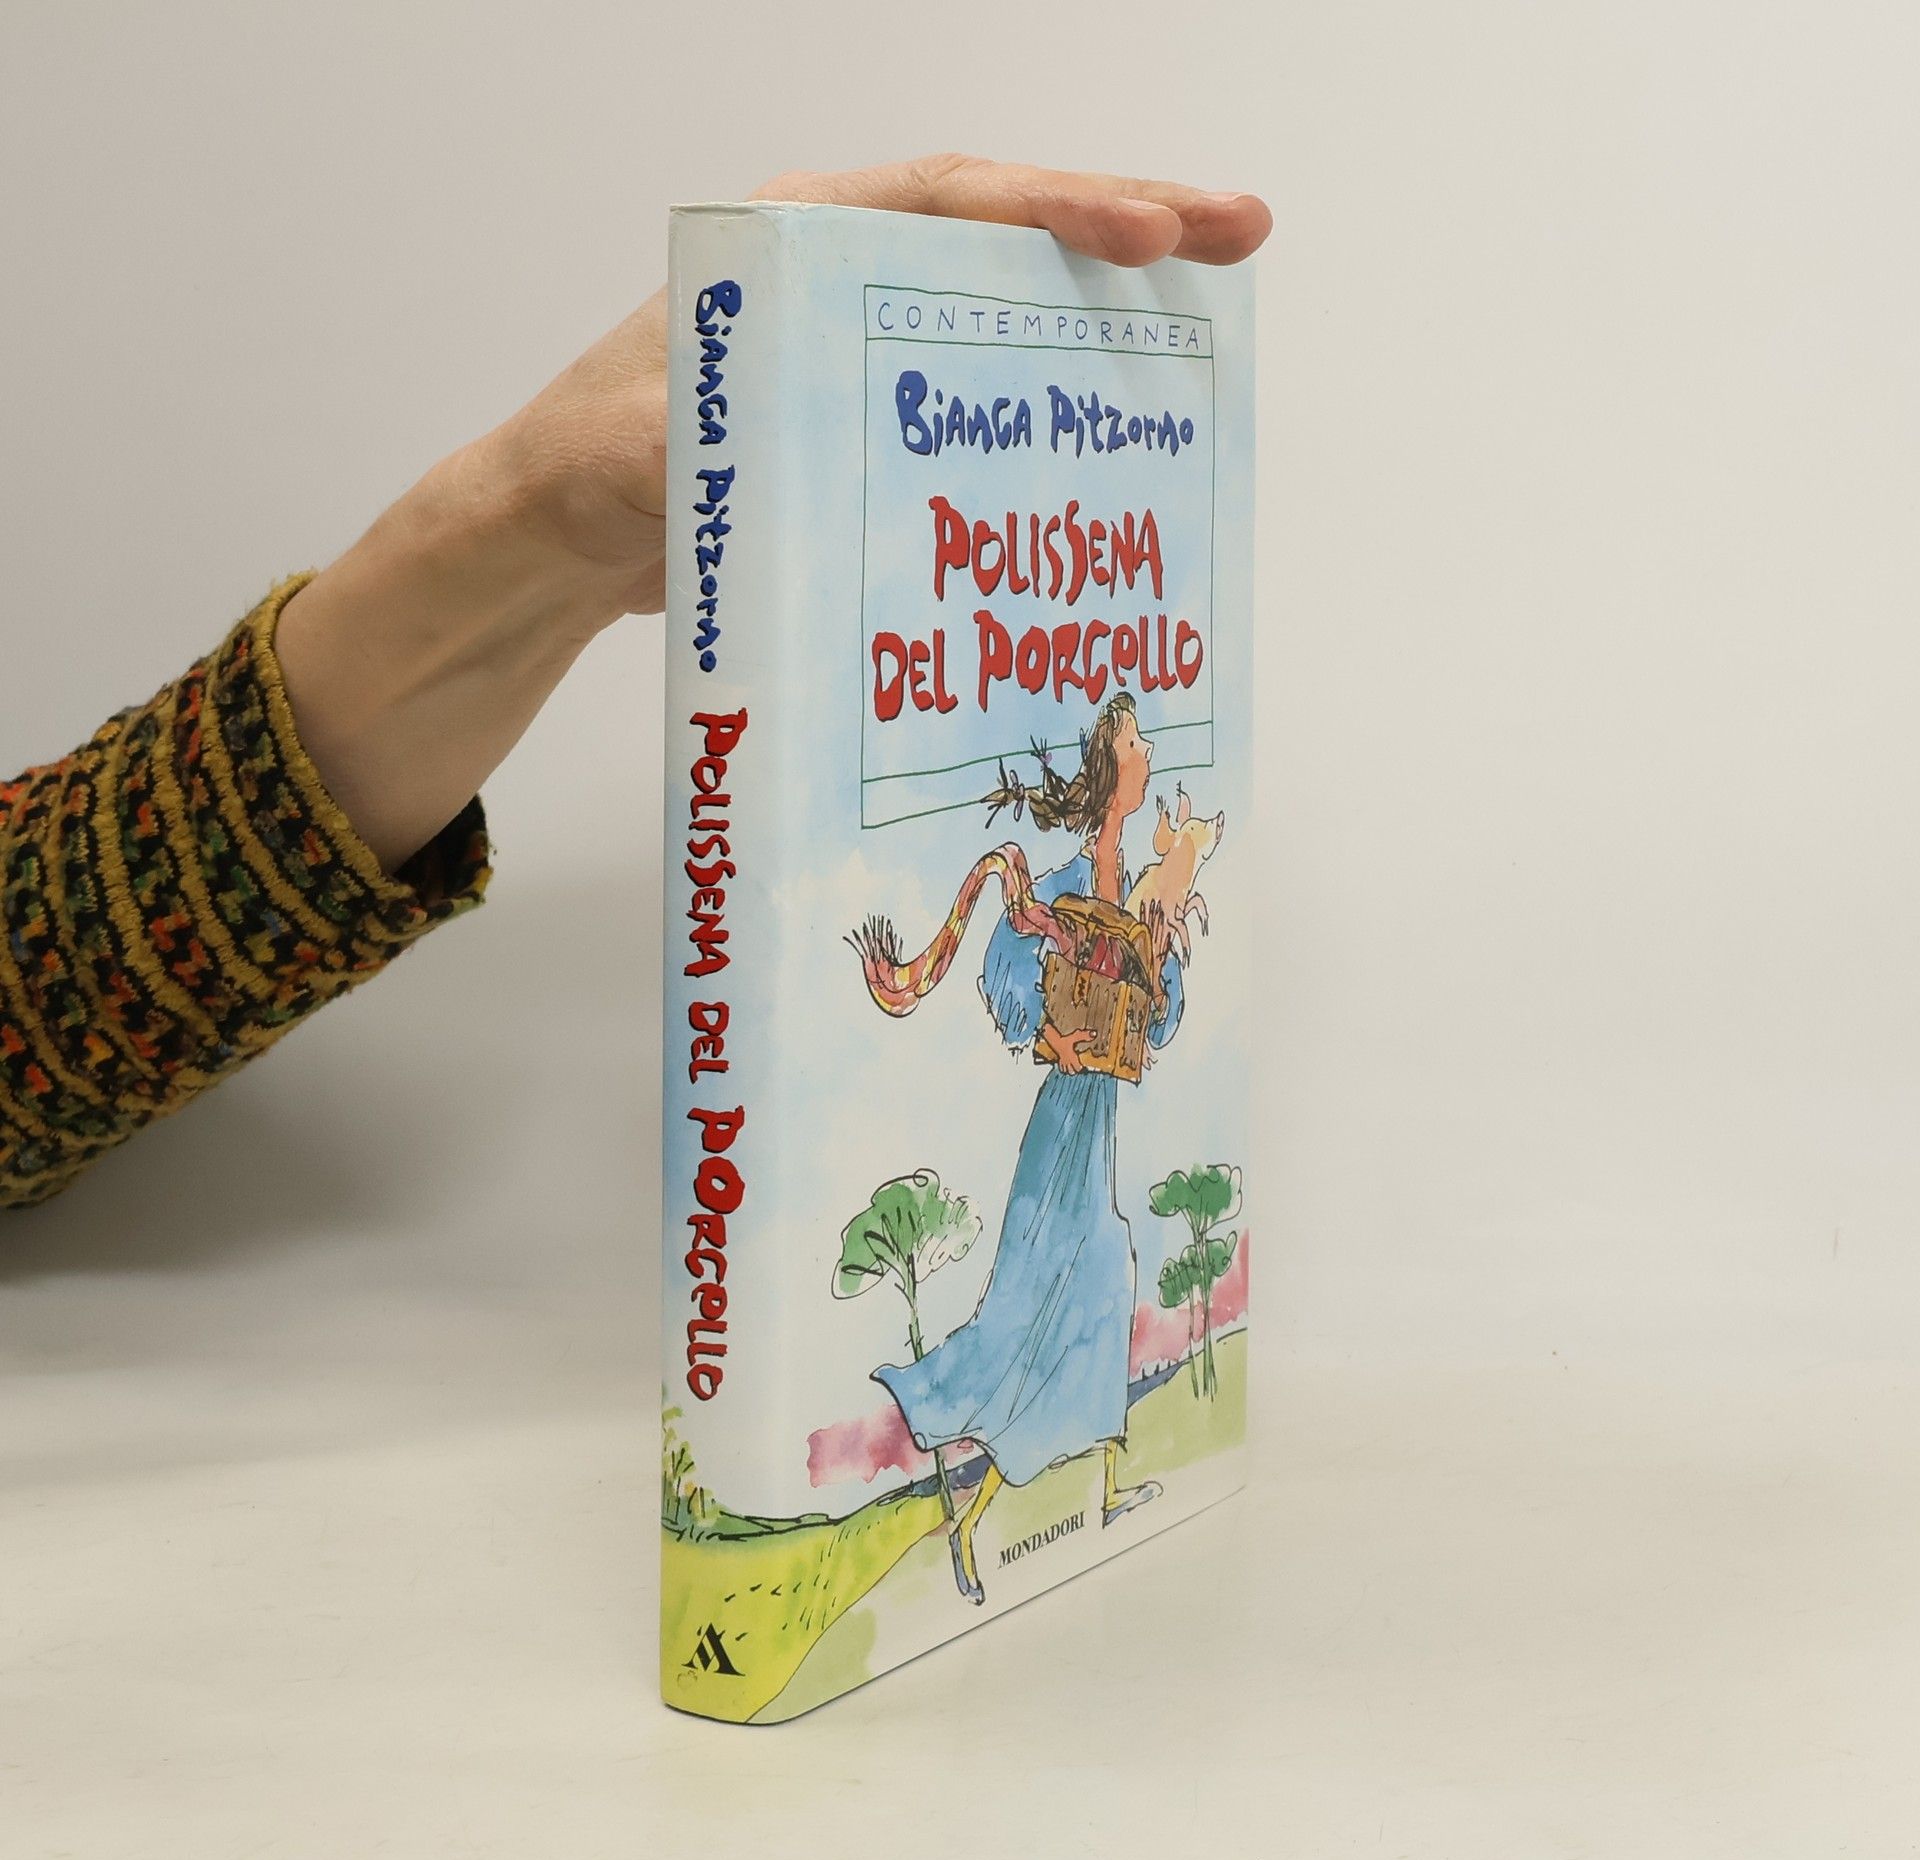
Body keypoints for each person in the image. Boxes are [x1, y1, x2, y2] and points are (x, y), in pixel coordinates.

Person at [0, 157, 1271, 1212]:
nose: (1152, 784)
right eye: (1137, 767)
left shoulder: (1108, 877)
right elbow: (1016, 945)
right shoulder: (1063, 882)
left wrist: (525, 528)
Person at [860, 697, 1186, 1602]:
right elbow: (1005, 970)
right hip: (1063, 1119)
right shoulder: (1069, 878)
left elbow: (1159, 1017)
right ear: (1110, 766)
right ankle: (969, 1523)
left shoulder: (1142, 890)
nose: (1146, 751)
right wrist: (1050, 1035)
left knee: (1106, 1274)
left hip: (1100, 1118)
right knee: (1036, 1310)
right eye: (1134, 741)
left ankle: (1105, 1493)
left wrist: (1159, 970)